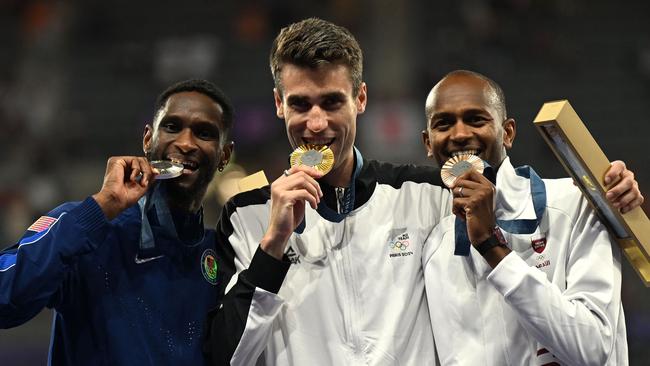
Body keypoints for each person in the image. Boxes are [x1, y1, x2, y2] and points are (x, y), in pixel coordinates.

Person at [203, 19, 642, 366]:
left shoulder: (425, 193)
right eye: (300, 104)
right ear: (279, 104)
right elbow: (225, 356)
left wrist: (606, 189)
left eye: (332, 102)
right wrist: (273, 246)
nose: (316, 123)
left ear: (360, 98)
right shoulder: (247, 216)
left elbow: (504, 191)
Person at [0, 79, 235, 365]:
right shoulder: (86, 229)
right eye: (172, 127)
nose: (185, 143)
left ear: (224, 155)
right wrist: (101, 207)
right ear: (148, 139)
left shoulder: (223, 254)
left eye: (204, 133)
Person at [421, 70, 637, 365]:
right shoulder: (432, 243)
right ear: (428, 143)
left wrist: (490, 245)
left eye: (476, 119)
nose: (459, 134)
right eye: (443, 124)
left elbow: (592, 348)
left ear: (507, 132)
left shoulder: (575, 204)